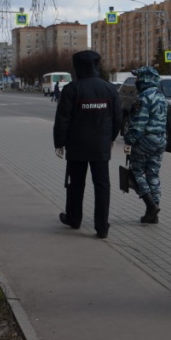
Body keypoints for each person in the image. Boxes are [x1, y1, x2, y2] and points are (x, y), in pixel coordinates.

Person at [53, 50, 122, 238]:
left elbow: (63, 120)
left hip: (76, 145)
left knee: (76, 183)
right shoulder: (109, 89)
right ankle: (102, 227)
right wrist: (111, 138)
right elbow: (117, 118)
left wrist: (59, 143)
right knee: (102, 185)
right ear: (96, 65)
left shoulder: (72, 89)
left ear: (77, 67)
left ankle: (74, 219)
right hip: (101, 145)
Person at [123, 66, 168, 224]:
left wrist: (129, 140)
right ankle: (153, 213)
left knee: (137, 172)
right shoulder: (161, 96)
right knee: (153, 174)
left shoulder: (143, 98)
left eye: (138, 77)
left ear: (145, 79)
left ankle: (150, 206)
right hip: (160, 140)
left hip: (145, 140)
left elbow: (138, 125)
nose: (136, 80)